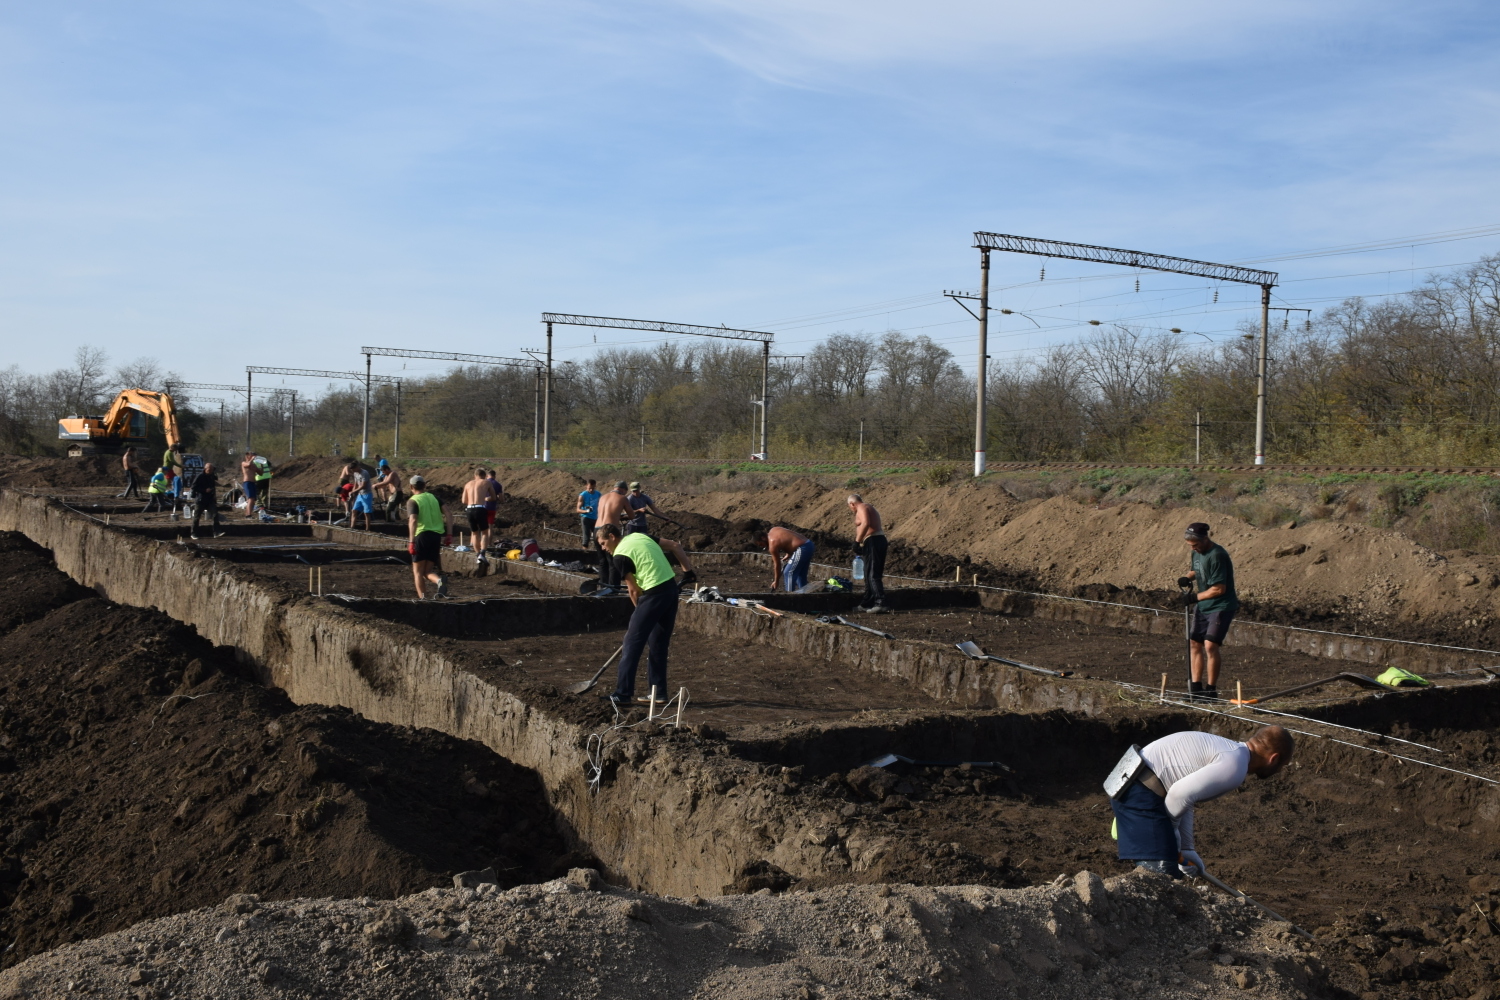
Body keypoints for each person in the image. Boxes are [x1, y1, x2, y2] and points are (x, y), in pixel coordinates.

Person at [1107, 726, 1293, 878]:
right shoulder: (1235, 766)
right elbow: (1179, 795)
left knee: (1167, 877)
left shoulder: (1231, 753)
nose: (1279, 771)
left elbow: (1186, 794)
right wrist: (1172, 836)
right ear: (1273, 759)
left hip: (1137, 783)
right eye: (1282, 766)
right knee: (1161, 879)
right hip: (1139, 791)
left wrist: (1187, 847)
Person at [596, 523, 679, 707]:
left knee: (631, 643)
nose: (603, 548)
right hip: (671, 590)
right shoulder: (638, 537)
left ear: (611, 537)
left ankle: (623, 693)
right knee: (658, 643)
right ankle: (658, 693)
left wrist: (639, 614)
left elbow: (633, 591)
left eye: (602, 543)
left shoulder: (620, 555)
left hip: (653, 594)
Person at [1180, 522, 1240, 702]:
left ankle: (1210, 691)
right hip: (1204, 606)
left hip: (1221, 605)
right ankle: (1196, 689)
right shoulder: (1196, 552)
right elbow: (1195, 569)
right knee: (1194, 643)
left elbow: (1219, 589)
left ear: (1205, 539)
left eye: (1196, 545)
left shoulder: (1218, 555)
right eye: (1191, 546)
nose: (1194, 549)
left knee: (1210, 645)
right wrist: (1187, 577)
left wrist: (1194, 598)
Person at [406, 475, 449, 600]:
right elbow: (448, 513)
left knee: (418, 572)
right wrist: (449, 534)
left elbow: (413, 520)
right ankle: (440, 581)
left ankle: (423, 598)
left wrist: (411, 541)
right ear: (425, 485)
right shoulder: (435, 498)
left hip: (421, 536)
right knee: (427, 571)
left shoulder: (413, 500)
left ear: (411, 487)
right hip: (436, 537)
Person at [848, 494, 888, 613]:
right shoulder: (867, 507)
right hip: (874, 541)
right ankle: (867, 603)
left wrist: (856, 541)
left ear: (852, 504)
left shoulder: (862, 507)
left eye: (849, 506)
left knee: (872, 573)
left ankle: (880, 602)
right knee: (868, 572)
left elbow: (865, 523)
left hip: (873, 541)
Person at [753, 526, 815, 592]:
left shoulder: (772, 545)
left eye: (761, 544)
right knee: (800, 575)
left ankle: (789, 597)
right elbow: (787, 539)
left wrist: (776, 581)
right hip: (809, 544)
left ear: (763, 538)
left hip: (802, 548)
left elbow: (777, 565)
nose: (763, 547)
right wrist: (788, 553)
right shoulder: (774, 529)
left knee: (788, 572)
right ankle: (805, 596)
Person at [461, 468, 498, 561]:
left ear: (474, 476)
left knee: (474, 533)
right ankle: (482, 554)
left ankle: (477, 555)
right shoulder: (486, 482)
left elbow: (463, 501)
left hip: (469, 509)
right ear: (485, 476)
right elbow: (494, 497)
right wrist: (486, 499)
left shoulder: (468, 484)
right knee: (485, 532)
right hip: (480, 508)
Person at [189, 462, 225, 538]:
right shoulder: (200, 476)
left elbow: (214, 485)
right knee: (197, 516)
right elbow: (194, 487)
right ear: (205, 469)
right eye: (210, 469)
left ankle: (216, 532)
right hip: (201, 499)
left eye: (212, 469)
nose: (211, 470)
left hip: (210, 499)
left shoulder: (212, 476)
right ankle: (193, 533)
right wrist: (204, 490)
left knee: (215, 514)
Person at [341, 460, 377, 531]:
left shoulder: (364, 473)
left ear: (357, 467)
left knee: (366, 513)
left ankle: (367, 529)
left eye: (354, 469)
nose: (354, 471)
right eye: (352, 470)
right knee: (354, 511)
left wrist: (354, 491)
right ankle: (352, 527)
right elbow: (356, 484)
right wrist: (353, 493)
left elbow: (363, 485)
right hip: (360, 495)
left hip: (367, 494)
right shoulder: (355, 473)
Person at [576, 479, 601, 548]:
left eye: (593, 488)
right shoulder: (582, 495)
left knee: (598, 535)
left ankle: (598, 552)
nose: (591, 490)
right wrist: (586, 511)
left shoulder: (598, 494)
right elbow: (578, 509)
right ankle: (585, 551)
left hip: (595, 518)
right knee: (586, 536)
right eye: (589, 488)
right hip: (586, 517)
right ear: (586, 486)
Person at [484, 469, 504, 540]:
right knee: (490, 528)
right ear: (494, 476)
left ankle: (482, 543)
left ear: (487, 476)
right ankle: (489, 543)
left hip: (483, 507)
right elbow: (501, 499)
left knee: (482, 527)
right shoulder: (498, 485)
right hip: (492, 508)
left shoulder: (484, 483)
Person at [239, 452, 259, 519]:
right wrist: (252, 459)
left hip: (253, 482)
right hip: (247, 482)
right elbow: (248, 464)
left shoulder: (253, 465)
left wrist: (261, 465)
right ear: (247, 456)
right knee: (250, 498)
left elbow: (260, 472)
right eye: (251, 455)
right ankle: (248, 515)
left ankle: (248, 514)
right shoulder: (244, 463)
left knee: (252, 499)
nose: (253, 457)